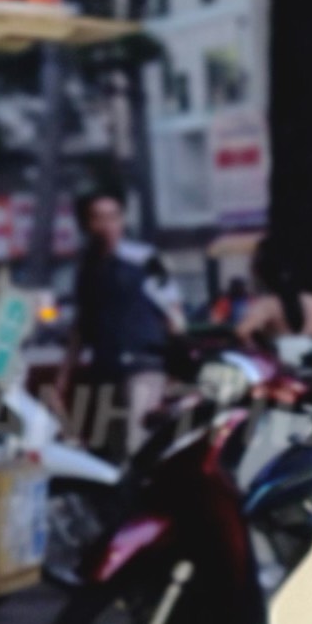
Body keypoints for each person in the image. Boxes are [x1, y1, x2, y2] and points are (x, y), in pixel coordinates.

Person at [60, 188, 185, 457]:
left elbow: (173, 313)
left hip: (143, 362)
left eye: (113, 216)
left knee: (137, 441)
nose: (107, 225)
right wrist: (65, 373)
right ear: (86, 224)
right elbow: (81, 324)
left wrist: (178, 361)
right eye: (98, 218)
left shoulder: (144, 259)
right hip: (105, 366)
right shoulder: (87, 268)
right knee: (111, 447)